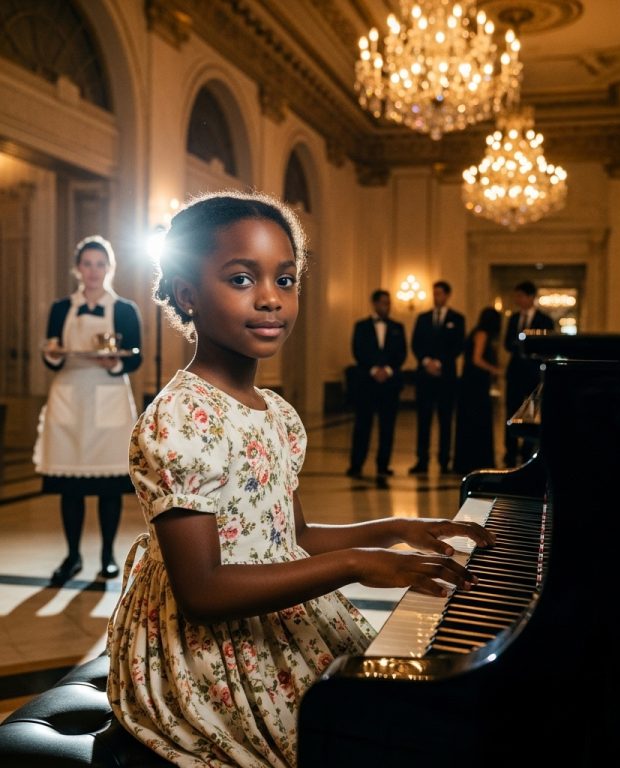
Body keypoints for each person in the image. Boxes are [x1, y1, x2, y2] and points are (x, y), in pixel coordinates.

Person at [106, 190, 494, 768]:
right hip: (205, 652)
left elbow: (293, 536)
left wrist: (395, 527)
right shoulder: (178, 419)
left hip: (277, 608)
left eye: (285, 280)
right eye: (241, 279)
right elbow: (204, 591)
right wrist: (358, 564)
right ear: (187, 294)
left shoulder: (277, 413)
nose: (270, 299)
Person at [33, 235, 142, 585]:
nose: (93, 271)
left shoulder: (124, 309)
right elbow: (52, 352)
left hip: (109, 395)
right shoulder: (60, 308)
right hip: (68, 395)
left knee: (109, 486)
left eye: (100, 264)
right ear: (78, 269)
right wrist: (51, 356)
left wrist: (113, 363)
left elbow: (134, 357)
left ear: (109, 268)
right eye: (87, 264)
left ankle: (108, 555)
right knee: (70, 486)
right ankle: (72, 555)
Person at [346, 289, 407, 480]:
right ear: (374, 303)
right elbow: (358, 350)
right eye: (383, 303)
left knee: (387, 426)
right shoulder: (361, 326)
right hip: (367, 382)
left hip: (390, 384)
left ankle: (383, 465)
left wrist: (387, 370)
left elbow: (402, 353)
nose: (386, 306)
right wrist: (373, 369)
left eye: (388, 303)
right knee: (362, 425)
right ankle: (356, 464)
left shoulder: (398, 327)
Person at [409, 280, 465, 474]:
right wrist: (426, 362)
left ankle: (444, 461)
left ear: (447, 295)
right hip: (425, 377)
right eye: (434, 293)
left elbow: (458, 346)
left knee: (445, 421)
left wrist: (439, 363)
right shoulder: (423, 318)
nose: (436, 297)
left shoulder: (457, 319)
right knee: (423, 421)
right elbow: (415, 343)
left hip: (446, 377)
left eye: (439, 293)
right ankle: (421, 460)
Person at [503, 280, 554, 467]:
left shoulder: (545, 320)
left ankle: (527, 451)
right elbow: (507, 343)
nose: (518, 300)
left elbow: (547, 345)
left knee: (532, 413)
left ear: (531, 297)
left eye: (521, 296)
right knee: (511, 410)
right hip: (515, 371)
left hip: (533, 373)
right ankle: (510, 451)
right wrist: (518, 342)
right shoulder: (513, 319)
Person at [453, 306, 503, 476]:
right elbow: (477, 359)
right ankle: (477, 459)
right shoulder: (482, 334)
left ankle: (467, 460)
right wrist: (495, 370)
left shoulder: (477, 331)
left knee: (470, 421)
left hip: (471, 383)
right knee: (478, 420)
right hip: (475, 384)